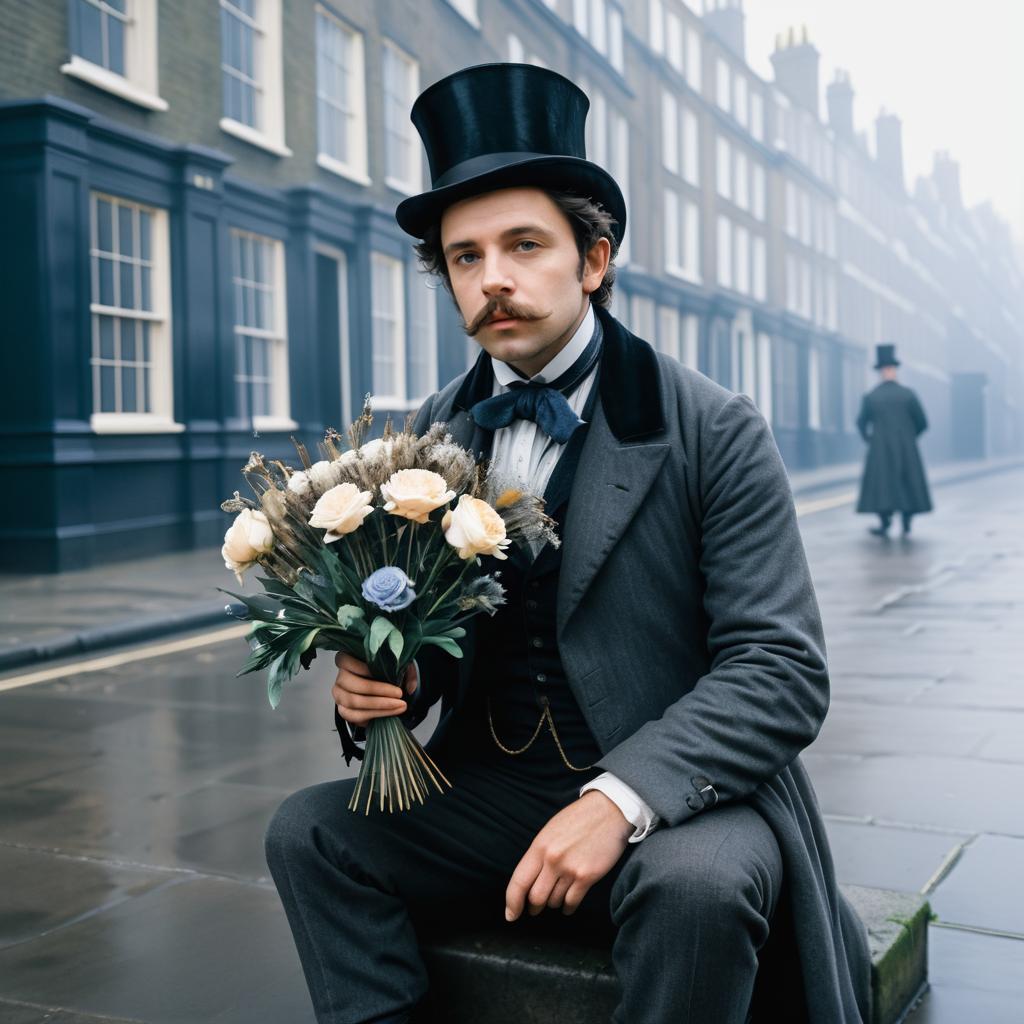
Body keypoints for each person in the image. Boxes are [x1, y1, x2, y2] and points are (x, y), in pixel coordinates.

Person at [264, 63, 870, 1024]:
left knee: (698, 891)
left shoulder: (714, 426)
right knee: (309, 833)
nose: (493, 278)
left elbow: (781, 669)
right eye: (465, 257)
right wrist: (389, 676)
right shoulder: (429, 434)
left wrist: (619, 800)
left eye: (524, 245)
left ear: (594, 260)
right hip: (494, 787)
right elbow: (429, 637)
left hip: (684, 802)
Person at [856, 344, 933, 537]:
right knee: (907, 484)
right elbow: (922, 422)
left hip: (880, 449)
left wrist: (871, 440)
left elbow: (861, 423)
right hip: (906, 447)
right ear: (893, 370)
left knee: (882, 485)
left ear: (881, 372)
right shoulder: (908, 395)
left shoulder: (872, 396)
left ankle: (885, 523)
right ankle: (906, 522)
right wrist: (909, 438)